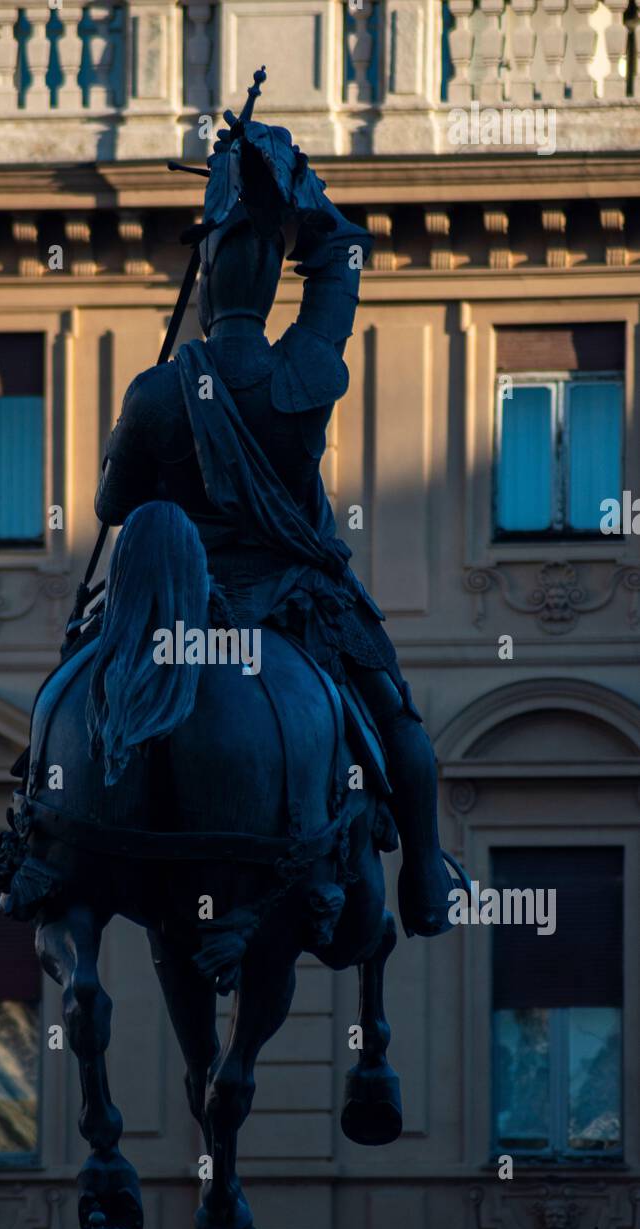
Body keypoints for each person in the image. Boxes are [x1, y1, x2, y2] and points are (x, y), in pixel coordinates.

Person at [93, 119, 454, 939]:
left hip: (184, 606)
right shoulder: (306, 373)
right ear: (268, 279)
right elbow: (343, 257)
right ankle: (427, 874)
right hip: (297, 596)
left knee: (85, 675)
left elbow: (115, 511)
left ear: (208, 279)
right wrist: (296, 196)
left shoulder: (156, 393)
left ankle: (46, 812)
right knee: (395, 714)